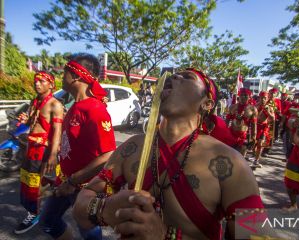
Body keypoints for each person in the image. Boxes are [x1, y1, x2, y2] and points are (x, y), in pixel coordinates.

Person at [73, 69, 275, 239]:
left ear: (207, 103)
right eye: (173, 76)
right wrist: (103, 209)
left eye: (187, 77)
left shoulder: (230, 163)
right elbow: (81, 205)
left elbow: (258, 235)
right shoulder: (131, 148)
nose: (174, 77)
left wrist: (164, 235)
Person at [40, 54, 116, 240]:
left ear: (76, 75)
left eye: (64, 72)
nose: (61, 76)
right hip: (64, 181)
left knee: (90, 233)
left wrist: (73, 182)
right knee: (48, 221)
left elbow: (108, 155)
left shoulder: (94, 109)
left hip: (84, 187)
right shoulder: (75, 106)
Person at [14, 71, 64, 234]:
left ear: (51, 84)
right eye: (36, 81)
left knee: (37, 184)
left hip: (43, 150)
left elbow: (57, 131)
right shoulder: (34, 100)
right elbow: (32, 121)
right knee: (28, 181)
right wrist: (24, 120)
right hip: (31, 147)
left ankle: (35, 214)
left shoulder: (55, 104)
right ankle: (38, 209)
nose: (37, 84)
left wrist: (51, 155)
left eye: (42, 81)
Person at [227, 88, 258, 156]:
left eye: (246, 95)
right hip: (231, 135)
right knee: (230, 156)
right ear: (239, 96)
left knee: (241, 158)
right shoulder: (232, 107)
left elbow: (254, 125)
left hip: (244, 137)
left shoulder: (253, 109)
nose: (243, 97)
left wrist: (254, 138)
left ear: (249, 97)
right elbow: (226, 122)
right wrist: (223, 133)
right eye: (242, 95)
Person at [251, 91, 274, 168]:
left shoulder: (269, 107)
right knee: (253, 143)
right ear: (259, 98)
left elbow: (273, 119)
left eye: (264, 98)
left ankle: (256, 160)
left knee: (260, 143)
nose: (263, 99)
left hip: (264, 128)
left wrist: (268, 112)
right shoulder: (255, 106)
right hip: (255, 127)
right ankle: (255, 156)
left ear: (267, 99)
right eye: (261, 98)